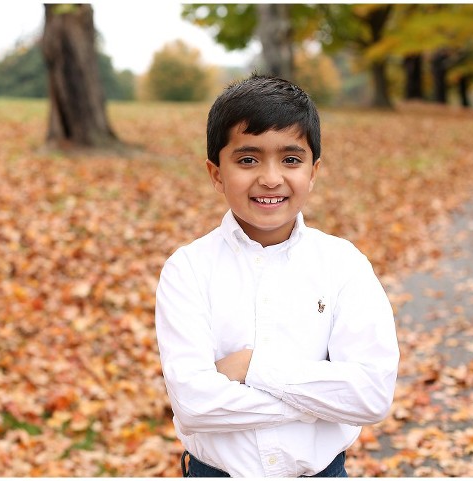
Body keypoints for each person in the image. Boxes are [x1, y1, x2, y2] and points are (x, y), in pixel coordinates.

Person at [154, 73, 400, 478]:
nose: (270, 178)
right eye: (248, 159)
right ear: (217, 173)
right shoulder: (188, 269)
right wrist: (319, 404)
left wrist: (251, 368)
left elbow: (371, 396)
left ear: (313, 171)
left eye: (290, 159)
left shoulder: (343, 265)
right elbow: (194, 404)